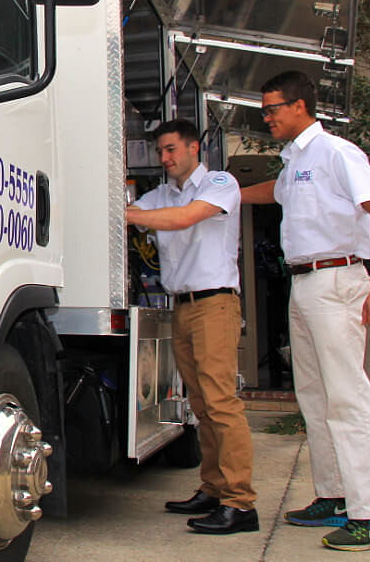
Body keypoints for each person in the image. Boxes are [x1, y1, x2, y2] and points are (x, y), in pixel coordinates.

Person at [241, 70, 370, 552]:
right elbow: (275, 191)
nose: (266, 117)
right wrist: (223, 193)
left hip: (339, 280)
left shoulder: (337, 153)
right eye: (264, 110)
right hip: (306, 282)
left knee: (348, 397)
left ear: (299, 107)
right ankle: (333, 497)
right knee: (314, 396)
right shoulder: (296, 163)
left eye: (272, 109)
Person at [127, 119, 258, 535]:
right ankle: (213, 488)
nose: (165, 159)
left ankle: (240, 503)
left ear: (193, 148)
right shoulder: (160, 194)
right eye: (161, 152)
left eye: (171, 150)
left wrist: (133, 214)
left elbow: (185, 218)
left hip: (215, 304)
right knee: (200, 405)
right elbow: (133, 215)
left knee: (221, 403)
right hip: (181, 307)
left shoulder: (220, 183)